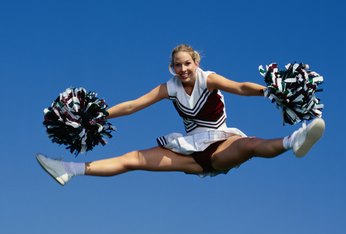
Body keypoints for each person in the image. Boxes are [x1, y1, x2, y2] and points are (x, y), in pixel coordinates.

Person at [36, 44, 325, 186]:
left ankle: (293, 140)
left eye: (187, 63)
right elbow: (134, 105)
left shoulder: (207, 78)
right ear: (172, 67)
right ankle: (68, 170)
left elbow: (238, 87)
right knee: (131, 160)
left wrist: (269, 91)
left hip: (219, 144)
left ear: (196, 62)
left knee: (249, 146)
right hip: (188, 150)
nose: (183, 69)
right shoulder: (169, 87)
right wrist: (96, 116)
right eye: (177, 65)